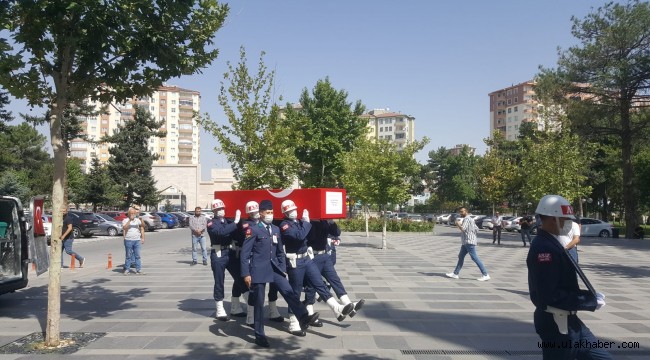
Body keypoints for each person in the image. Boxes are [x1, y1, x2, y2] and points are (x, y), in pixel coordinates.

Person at [527, 195, 611, 360]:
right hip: (557, 324)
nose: (568, 223)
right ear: (552, 219)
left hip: (569, 320)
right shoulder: (545, 249)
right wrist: (589, 301)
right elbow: (550, 295)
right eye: (565, 219)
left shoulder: (552, 242)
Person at [240, 199, 319, 348]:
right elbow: (245, 254)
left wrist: (282, 268)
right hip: (258, 270)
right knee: (259, 302)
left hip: (274, 268)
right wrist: (246, 274)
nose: (270, 215)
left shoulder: (275, 229)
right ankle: (259, 334)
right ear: (261, 213)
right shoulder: (253, 230)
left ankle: (303, 316)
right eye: (267, 212)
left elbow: (280, 251)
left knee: (288, 291)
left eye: (272, 212)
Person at [279, 199, 354, 335]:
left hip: (307, 258)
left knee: (319, 283)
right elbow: (299, 236)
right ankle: (294, 322)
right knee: (295, 292)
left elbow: (310, 236)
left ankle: (336, 307)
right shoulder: (284, 225)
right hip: (294, 261)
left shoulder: (300, 222)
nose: (293, 212)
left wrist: (312, 222)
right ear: (284, 213)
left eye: (294, 209)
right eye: (289, 211)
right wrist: (307, 222)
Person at [304, 219, 365, 319]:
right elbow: (311, 237)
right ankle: (309, 312)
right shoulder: (308, 221)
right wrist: (307, 222)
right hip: (313, 256)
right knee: (311, 286)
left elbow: (336, 232)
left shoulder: (323, 221)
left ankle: (347, 303)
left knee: (335, 279)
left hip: (324, 255)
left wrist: (331, 222)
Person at [207, 199, 244, 321]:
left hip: (230, 252)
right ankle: (219, 308)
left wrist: (239, 224)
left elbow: (236, 234)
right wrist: (235, 222)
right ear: (214, 211)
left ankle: (236, 306)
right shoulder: (211, 223)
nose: (221, 211)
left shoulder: (227, 221)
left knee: (240, 277)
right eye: (218, 209)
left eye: (222, 208)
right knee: (219, 281)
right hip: (218, 253)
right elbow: (221, 233)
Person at [446, 206, 490, 281]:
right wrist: (472, 234)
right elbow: (477, 229)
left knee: (474, 257)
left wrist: (458, 224)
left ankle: (485, 274)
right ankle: (455, 273)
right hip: (466, 242)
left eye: (462, 211)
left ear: (466, 211)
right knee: (461, 256)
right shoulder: (471, 219)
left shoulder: (466, 219)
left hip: (469, 241)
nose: (461, 213)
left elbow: (463, 229)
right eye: (460, 211)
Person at [122, 207, 145, 275]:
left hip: (137, 240)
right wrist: (130, 220)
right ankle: (127, 269)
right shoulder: (125, 220)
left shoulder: (137, 220)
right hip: (128, 239)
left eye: (134, 213)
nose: (132, 215)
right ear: (128, 214)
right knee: (128, 256)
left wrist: (141, 220)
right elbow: (124, 227)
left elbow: (143, 226)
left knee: (137, 256)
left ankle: (139, 269)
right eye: (131, 213)